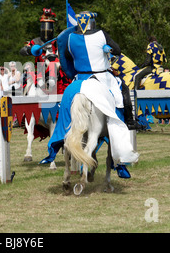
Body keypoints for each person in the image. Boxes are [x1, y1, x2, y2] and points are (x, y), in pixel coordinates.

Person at [42, 11, 139, 178]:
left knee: (67, 100)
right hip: (103, 77)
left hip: (79, 79)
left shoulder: (71, 38)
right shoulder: (101, 34)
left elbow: (67, 58)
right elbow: (117, 50)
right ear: (92, 22)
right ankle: (129, 123)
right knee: (123, 91)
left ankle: (59, 139)